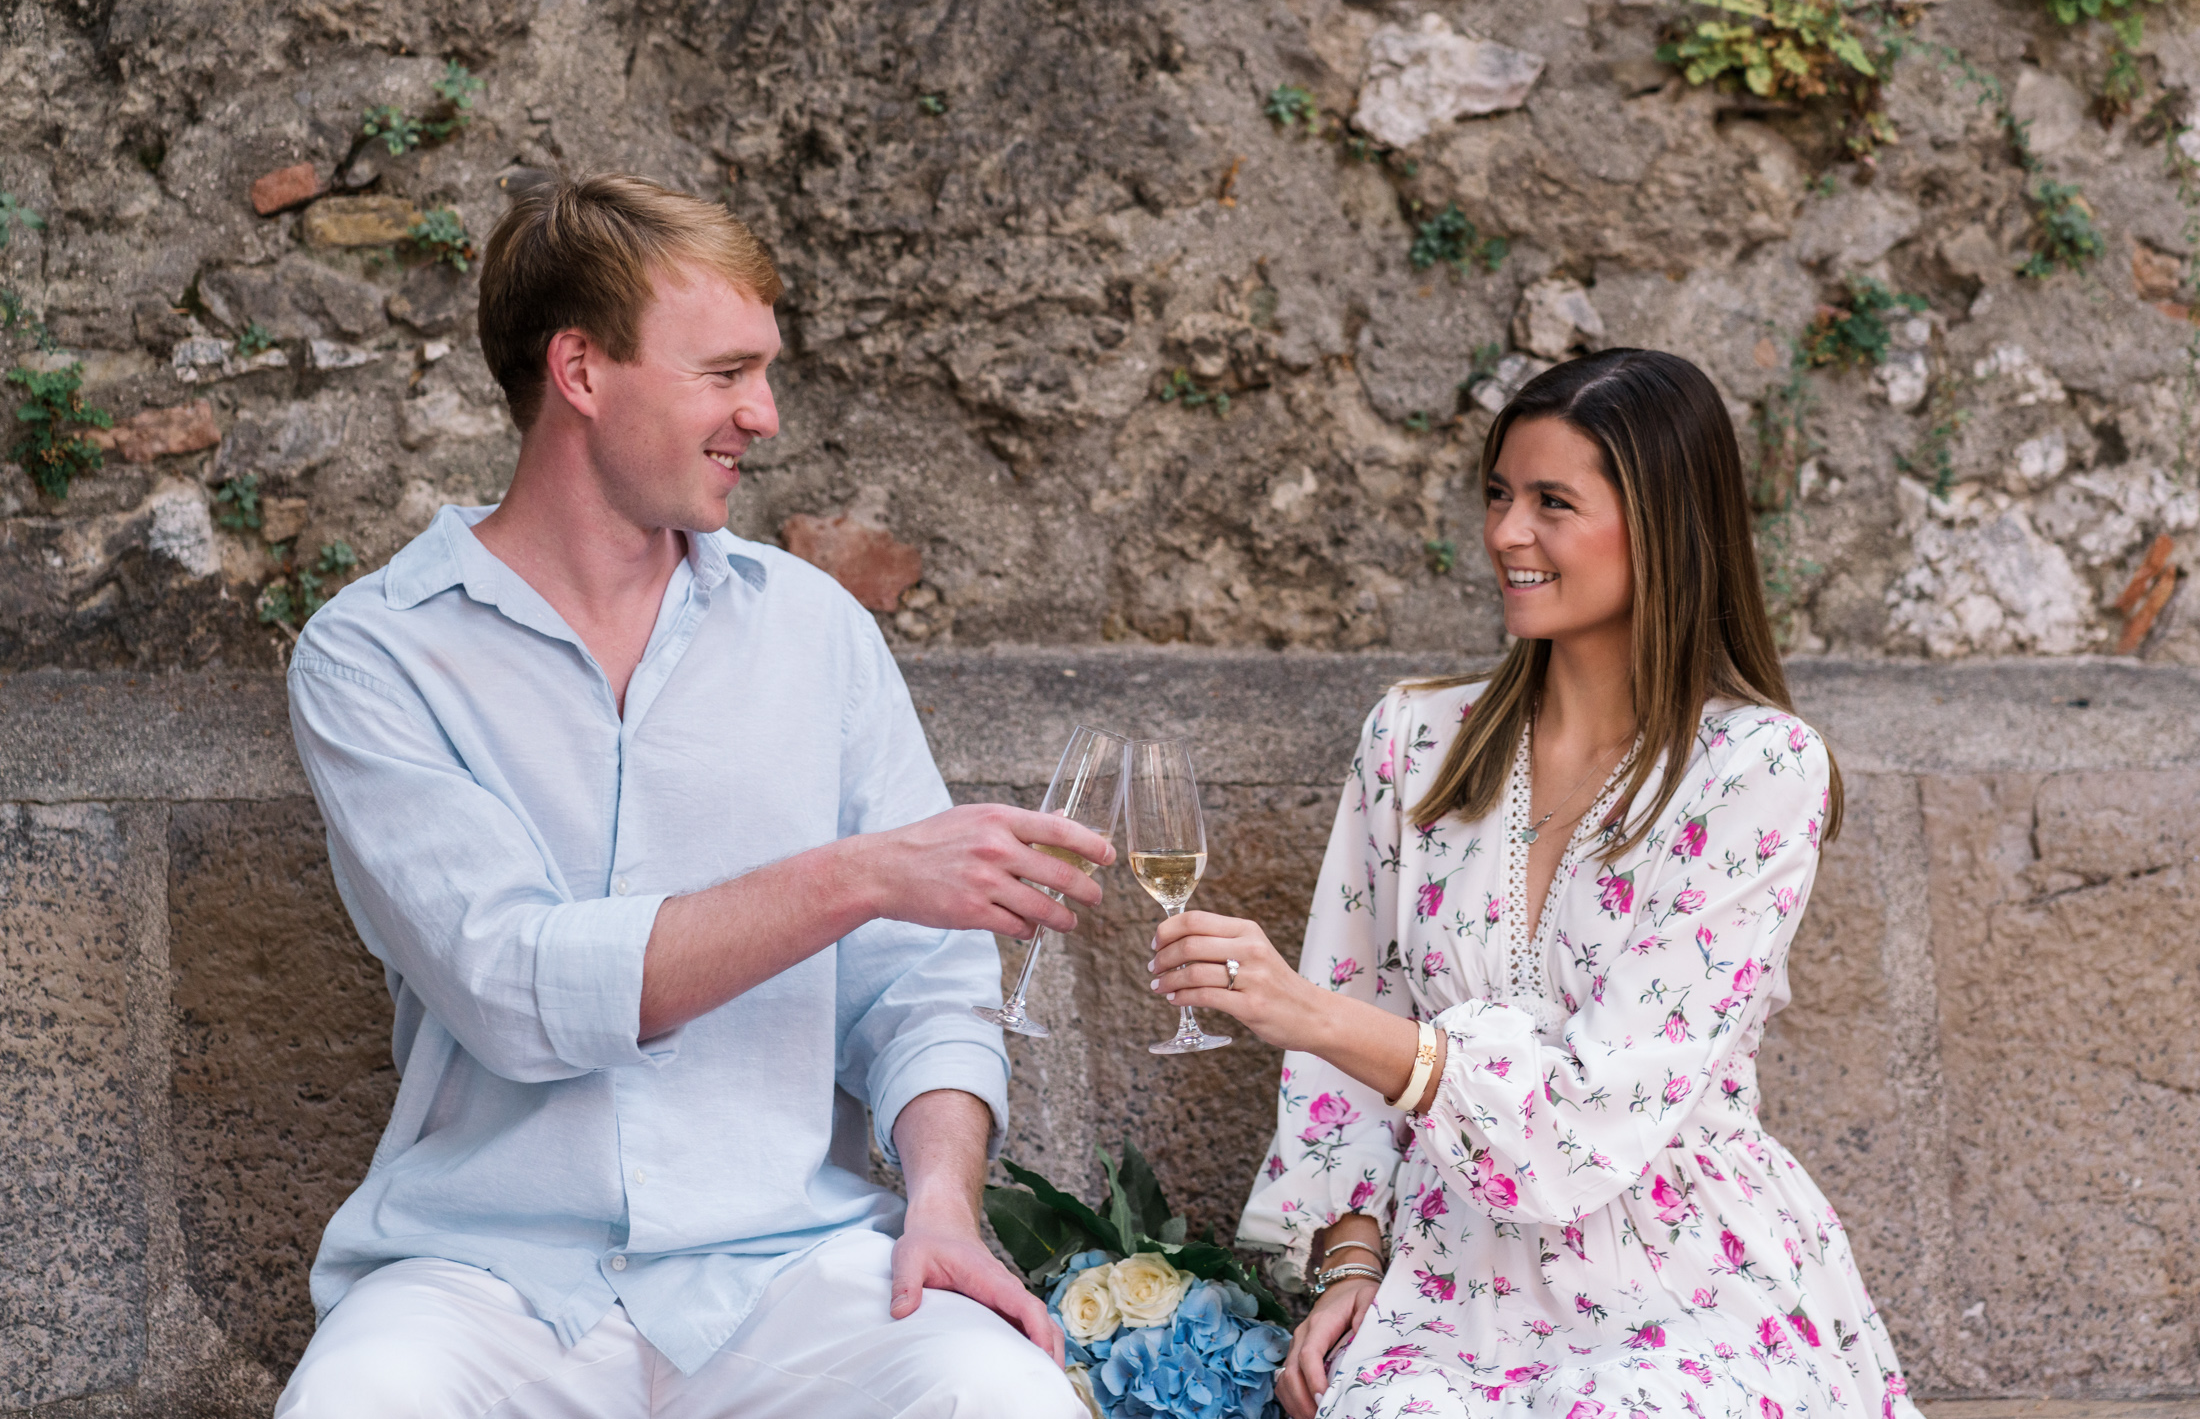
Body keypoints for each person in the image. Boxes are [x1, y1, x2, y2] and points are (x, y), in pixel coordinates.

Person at [275, 174, 1102, 1418]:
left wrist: (940, 1203)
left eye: (762, 374)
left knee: (1011, 1401)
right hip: (486, 1280)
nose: (762, 416)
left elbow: (919, 987)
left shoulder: (814, 630)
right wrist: (858, 871)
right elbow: (510, 983)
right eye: (725, 372)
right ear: (581, 370)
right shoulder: (374, 653)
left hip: (788, 1268)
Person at [1146, 349, 1922, 1419]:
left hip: (1678, 1269)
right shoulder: (1414, 739)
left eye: (1552, 502)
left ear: (1663, 524)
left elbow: (1593, 1113)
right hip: (1445, 1268)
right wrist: (1350, 1261)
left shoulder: (1756, 769)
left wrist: (1301, 1009)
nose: (1507, 533)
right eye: (1499, 495)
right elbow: (1341, 1061)